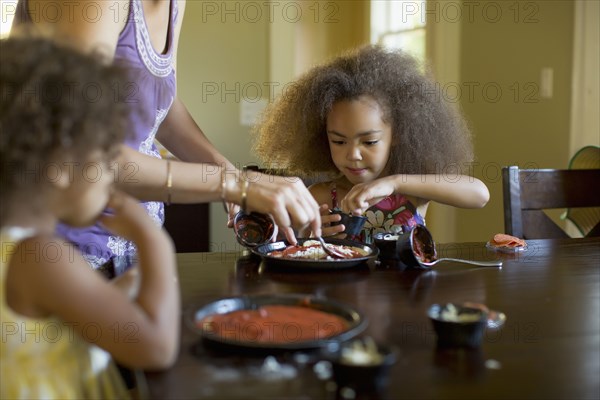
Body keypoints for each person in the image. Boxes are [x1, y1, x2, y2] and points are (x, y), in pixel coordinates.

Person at [10, 0, 321, 272]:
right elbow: (82, 152)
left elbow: (159, 105)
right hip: (64, 249)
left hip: (128, 244)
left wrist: (230, 172)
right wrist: (235, 185)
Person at [0, 37, 180, 398]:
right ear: (62, 166)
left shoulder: (21, 253)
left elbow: (56, 324)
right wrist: (153, 240)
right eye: (106, 155)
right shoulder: (40, 258)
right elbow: (157, 348)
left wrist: (118, 292)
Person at [252, 45, 490, 242]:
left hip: (407, 296)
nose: (353, 154)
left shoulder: (412, 190)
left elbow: (479, 194)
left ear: (397, 134)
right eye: (339, 141)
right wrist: (310, 236)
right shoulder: (322, 195)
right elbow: (299, 246)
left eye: (369, 141)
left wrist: (394, 183)